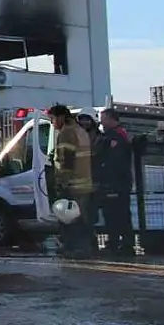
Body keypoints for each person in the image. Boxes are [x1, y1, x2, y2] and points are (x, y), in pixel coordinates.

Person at [49, 104, 95, 258]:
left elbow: (67, 161)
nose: (52, 123)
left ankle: (73, 247)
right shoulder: (80, 131)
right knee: (82, 218)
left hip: (72, 184)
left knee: (69, 219)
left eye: (53, 119)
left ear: (61, 117)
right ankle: (86, 247)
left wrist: (63, 182)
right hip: (84, 183)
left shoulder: (66, 133)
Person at [97, 108, 135, 256]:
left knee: (115, 213)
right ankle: (123, 243)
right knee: (120, 213)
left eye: (103, 118)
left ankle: (119, 243)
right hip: (121, 181)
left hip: (115, 182)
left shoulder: (114, 136)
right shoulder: (121, 133)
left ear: (111, 118)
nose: (101, 122)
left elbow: (113, 160)